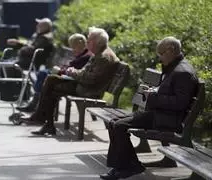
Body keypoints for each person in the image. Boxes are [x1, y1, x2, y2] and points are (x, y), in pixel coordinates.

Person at [99, 36, 198, 180]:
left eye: (161, 53)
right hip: (159, 114)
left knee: (119, 126)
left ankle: (130, 166)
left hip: (167, 119)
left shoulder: (183, 71)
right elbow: (170, 92)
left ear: (171, 50)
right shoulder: (175, 67)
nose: (159, 58)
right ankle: (122, 166)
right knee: (113, 122)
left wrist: (153, 97)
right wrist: (155, 91)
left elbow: (180, 103)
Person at [20, 27, 120, 135]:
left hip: (90, 91)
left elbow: (89, 79)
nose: (87, 43)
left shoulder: (103, 57)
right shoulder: (99, 53)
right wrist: (75, 71)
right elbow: (86, 73)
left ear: (97, 42)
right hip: (87, 86)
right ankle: (44, 121)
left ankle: (42, 118)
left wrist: (72, 72)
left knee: (51, 82)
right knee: (52, 81)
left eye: (89, 40)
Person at [16, 33, 92, 112]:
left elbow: (74, 70)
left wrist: (60, 70)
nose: (73, 49)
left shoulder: (85, 56)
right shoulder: (82, 54)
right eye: (72, 47)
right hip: (67, 76)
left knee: (44, 76)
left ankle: (36, 105)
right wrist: (62, 69)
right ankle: (36, 105)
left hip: (71, 80)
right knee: (43, 74)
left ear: (80, 44)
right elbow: (71, 67)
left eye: (74, 47)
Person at [0, 17, 54, 93]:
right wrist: (19, 43)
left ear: (44, 27)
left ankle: (12, 90)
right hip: (29, 60)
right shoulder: (40, 35)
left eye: (39, 25)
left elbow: (33, 49)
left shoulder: (44, 37)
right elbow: (30, 45)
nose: (37, 26)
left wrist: (20, 47)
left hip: (32, 62)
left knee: (8, 65)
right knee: (5, 63)